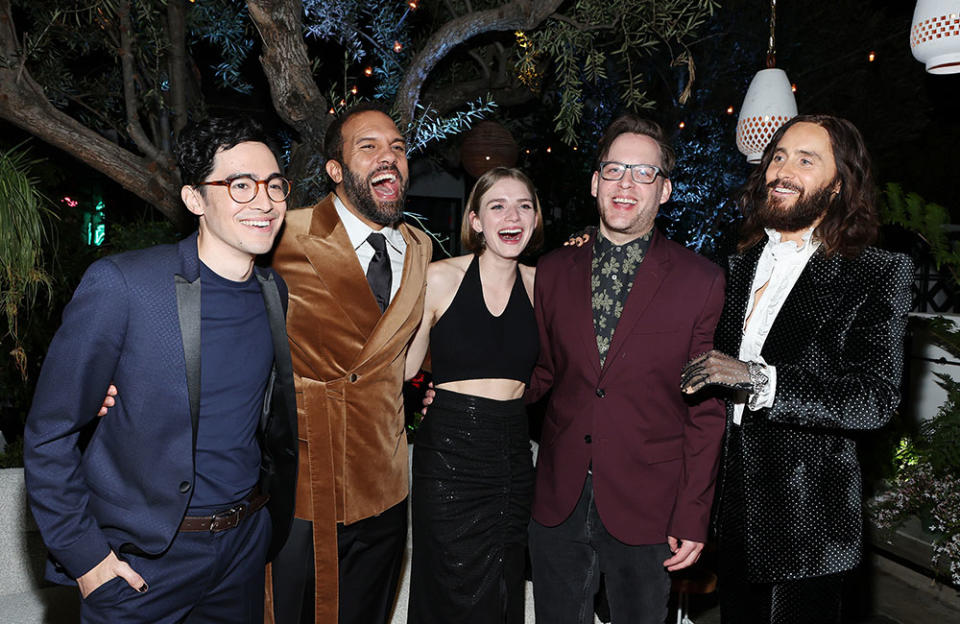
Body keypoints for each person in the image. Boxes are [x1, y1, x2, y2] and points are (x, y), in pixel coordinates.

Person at [23, 115, 298, 622]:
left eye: (274, 184)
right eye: (239, 185)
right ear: (195, 200)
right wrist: (86, 558)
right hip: (145, 564)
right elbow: (49, 433)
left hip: (242, 550)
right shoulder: (125, 286)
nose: (264, 201)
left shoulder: (273, 292)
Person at [679, 114, 913, 624]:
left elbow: (875, 399)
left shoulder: (876, 271)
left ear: (838, 185)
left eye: (806, 160)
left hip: (811, 526)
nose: (782, 170)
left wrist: (760, 379)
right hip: (732, 510)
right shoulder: (737, 261)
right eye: (778, 156)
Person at [525, 113, 727, 624]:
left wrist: (693, 513)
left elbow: (706, 412)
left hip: (650, 504)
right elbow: (542, 372)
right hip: (558, 498)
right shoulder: (552, 270)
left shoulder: (700, 281)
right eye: (614, 170)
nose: (625, 185)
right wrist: (470, 395)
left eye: (644, 174)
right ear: (595, 182)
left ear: (665, 192)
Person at [267, 103, 433, 624]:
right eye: (369, 147)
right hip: (303, 481)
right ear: (336, 171)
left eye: (398, 148)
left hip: (385, 480)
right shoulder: (282, 235)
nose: (390, 157)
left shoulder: (420, 246)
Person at [404, 167, 543, 623]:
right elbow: (403, 368)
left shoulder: (544, 286)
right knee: (447, 582)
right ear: (477, 220)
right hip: (448, 453)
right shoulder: (439, 277)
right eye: (497, 205)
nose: (513, 215)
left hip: (511, 454)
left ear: (536, 218)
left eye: (524, 205)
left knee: (503, 588)